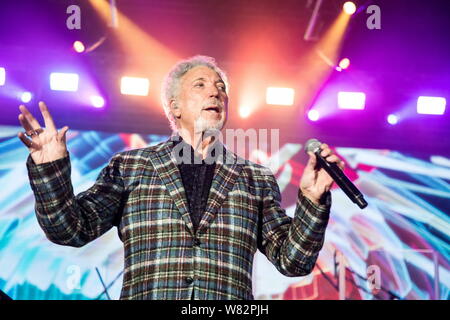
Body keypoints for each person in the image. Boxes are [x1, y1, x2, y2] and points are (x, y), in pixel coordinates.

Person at [18, 55, 344, 300]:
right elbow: (70, 229)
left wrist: (313, 202)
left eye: (221, 89)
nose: (215, 93)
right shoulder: (132, 166)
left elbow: (293, 261)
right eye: (200, 85)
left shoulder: (255, 178)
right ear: (174, 107)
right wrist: (51, 169)